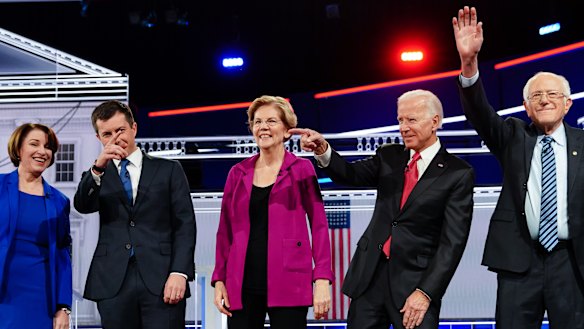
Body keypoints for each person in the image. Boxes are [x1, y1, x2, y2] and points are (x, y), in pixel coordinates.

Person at [290, 89, 474, 329]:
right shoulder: (389, 156)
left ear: (435, 122)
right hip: (370, 278)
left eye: (412, 120)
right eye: (400, 120)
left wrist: (426, 292)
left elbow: (453, 243)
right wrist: (323, 150)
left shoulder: (457, 173)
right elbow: (350, 174)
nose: (404, 127)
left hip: (414, 285)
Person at [453, 6, 584, 328]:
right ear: (525, 106)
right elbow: (479, 111)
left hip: (572, 261)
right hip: (518, 261)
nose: (544, 100)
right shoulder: (512, 135)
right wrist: (469, 63)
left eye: (553, 94)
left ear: (568, 103)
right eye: (536, 96)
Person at [212, 95, 334, 329]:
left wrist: (321, 279)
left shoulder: (302, 169)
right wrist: (219, 280)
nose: (263, 127)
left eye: (271, 121)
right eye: (257, 122)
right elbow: (224, 232)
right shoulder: (237, 173)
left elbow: (319, 226)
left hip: (290, 279)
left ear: (288, 130)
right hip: (242, 282)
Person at [74, 100, 196, 329]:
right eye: (106, 133)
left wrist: (179, 272)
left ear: (134, 128)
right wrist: (98, 167)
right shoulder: (98, 174)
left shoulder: (169, 170)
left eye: (120, 130)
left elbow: (185, 224)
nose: (115, 138)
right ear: (99, 138)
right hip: (113, 283)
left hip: (162, 279)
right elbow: (82, 204)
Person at [0, 123, 72, 329]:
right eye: (34, 144)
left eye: (48, 147)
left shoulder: (60, 201)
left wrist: (63, 306)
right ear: (18, 149)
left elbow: (62, 255)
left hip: (39, 298)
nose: (42, 151)